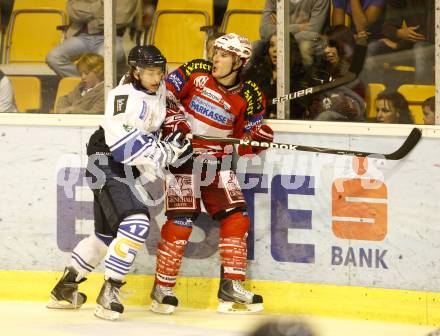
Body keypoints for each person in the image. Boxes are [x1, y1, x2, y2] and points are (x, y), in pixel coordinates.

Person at [47, 45, 192, 321]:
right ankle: (110, 291)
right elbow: (124, 148)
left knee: (105, 237)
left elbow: (166, 119)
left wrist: (178, 134)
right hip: (106, 160)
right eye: (149, 71)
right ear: (135, 71)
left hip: (121, 166)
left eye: (159, 71)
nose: (156, 76)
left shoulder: (158, 90)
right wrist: (168, 151)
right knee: (136, 222)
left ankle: (64, 290)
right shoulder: (122, 97)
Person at [150, 33, 274, 315]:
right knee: (181, 221)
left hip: (217, 163)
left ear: (239, 62)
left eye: (224, 55)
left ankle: (230, 287)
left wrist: (257, 140)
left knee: (237, 217)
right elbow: (162, 94)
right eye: (215, 52)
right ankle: (162, 288)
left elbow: (244, 140)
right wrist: (175, 120)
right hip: (181, 158)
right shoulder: (195, 72)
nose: (215, 58)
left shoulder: (251, 94)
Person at [46, 0, 138, 77]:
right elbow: (73, 12)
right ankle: (87, 84)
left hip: (115, 37)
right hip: (83, 37)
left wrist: (90, 18)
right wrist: (100, 5)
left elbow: (121, 18)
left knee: (99, 61)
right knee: (54, 57)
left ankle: (93, 87)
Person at [366, 0, 435, 85]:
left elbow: (428, 34)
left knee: (421, 49)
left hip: (432, 45)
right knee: (373, 48)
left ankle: (425, 95)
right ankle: (374, 94)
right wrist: (398, 33)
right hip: (410, 44)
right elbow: (388, 27)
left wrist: (399, 45)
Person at [259, 0, 329, 66]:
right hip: (279, 40)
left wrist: (280, 26)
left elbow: (314, 32)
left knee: (305, 47)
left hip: (312, 42)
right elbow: (264, 31)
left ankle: (306, 78)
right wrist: (299, 28)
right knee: (255, 47)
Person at [243, 34, 277, 119]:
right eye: (272, 45)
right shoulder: (257, 72)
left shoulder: (298, 76)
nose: (275, 50)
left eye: (281, 45)